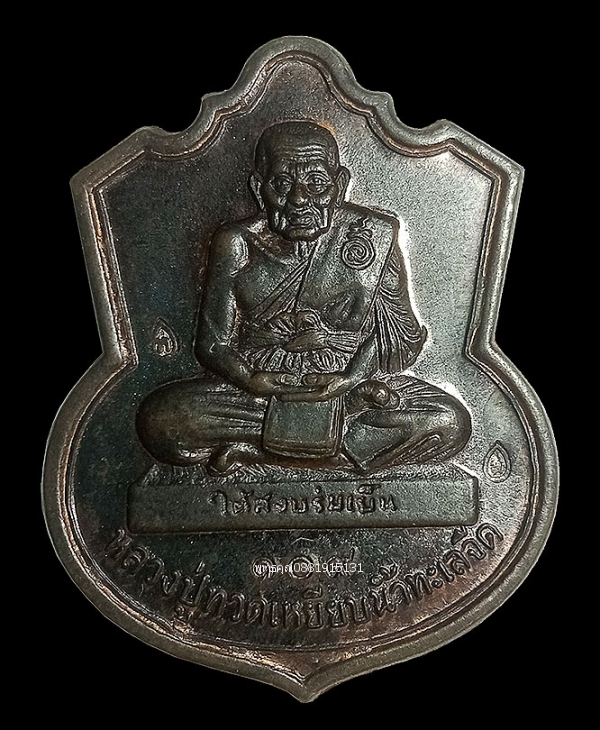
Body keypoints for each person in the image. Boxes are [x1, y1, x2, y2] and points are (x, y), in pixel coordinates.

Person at [136, 121, 471, 474]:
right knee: (162, 420)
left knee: (449, 421)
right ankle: (336, 449)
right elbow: (213, 344)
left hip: (346, 387)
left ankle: (257, 451)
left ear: (339, 186)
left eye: (316, 183)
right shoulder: (237, 243)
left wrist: (352, 377)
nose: (299, 199)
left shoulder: (373, 236)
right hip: (262, 394)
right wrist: (250, 378)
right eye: (282, 184)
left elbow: (401, 337)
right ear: (259, 188)